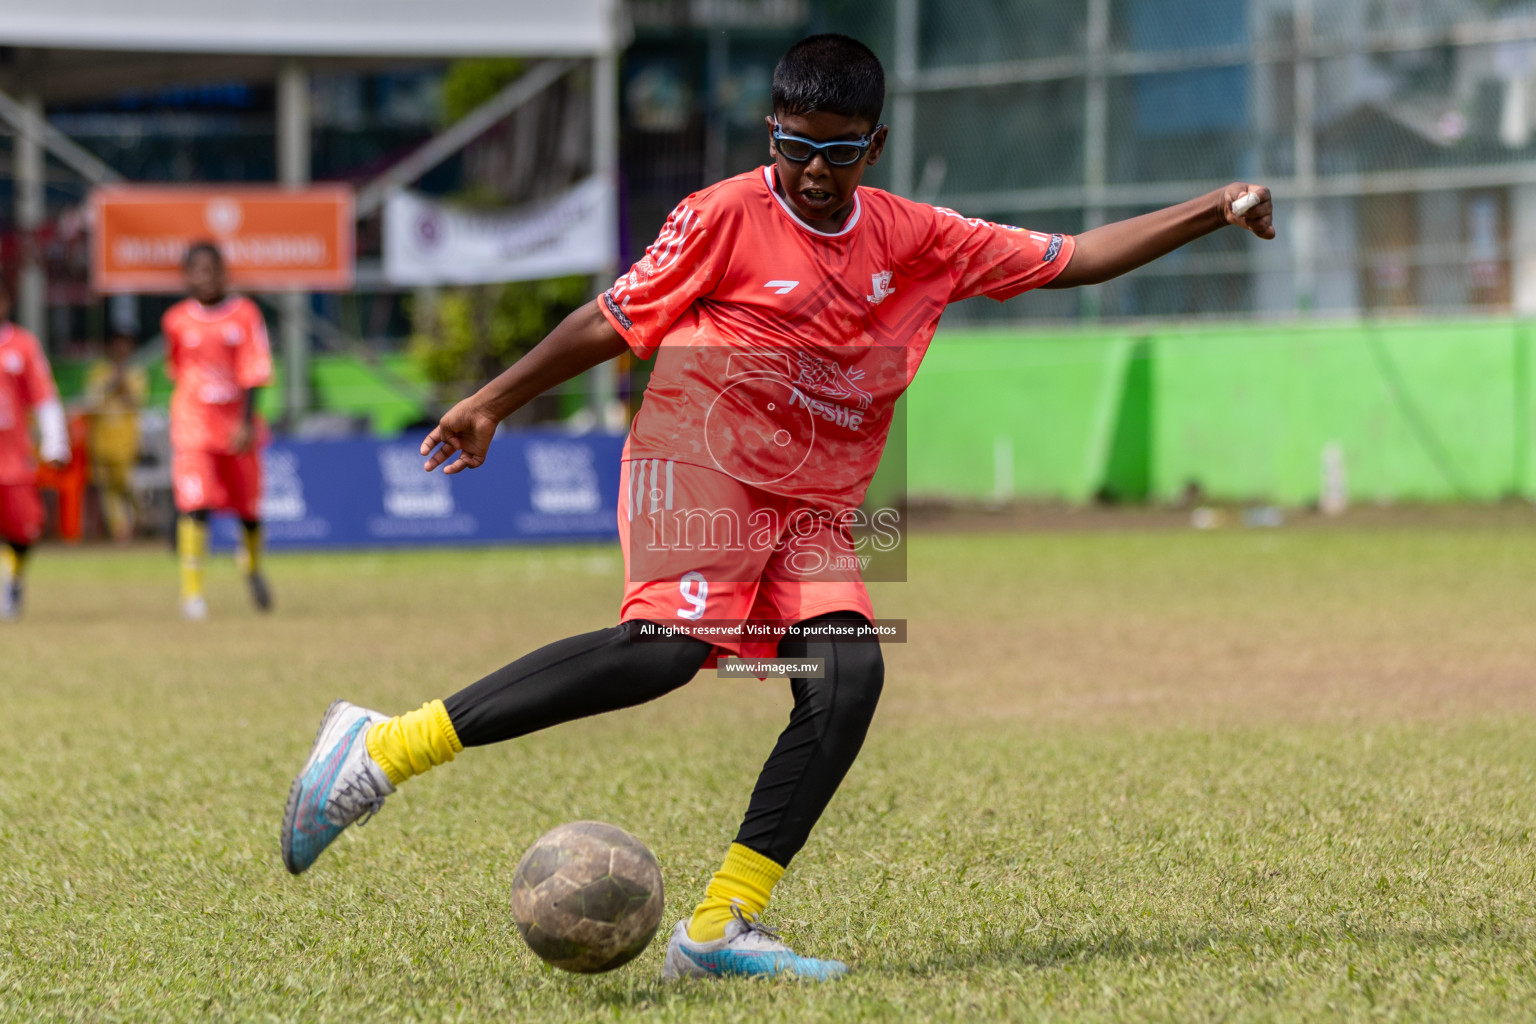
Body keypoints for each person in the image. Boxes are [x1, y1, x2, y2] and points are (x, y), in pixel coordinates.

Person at [280, 34, 1275, 979]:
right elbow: (612, 317)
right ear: (773, 133)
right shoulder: (720, 215)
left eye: (836, 154)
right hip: (699, 449)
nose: (812, 171)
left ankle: (717, 926)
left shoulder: (918, 237)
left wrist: (1217, 206)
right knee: (664, 646)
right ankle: (381, 745)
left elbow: (1078, 256)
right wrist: (493, 400)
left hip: (814, 500)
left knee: (848, 676)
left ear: (874, 147)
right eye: (795, 148)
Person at [162, 242, 274, 620]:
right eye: (197, 270)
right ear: (187, 276)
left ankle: (253, 566)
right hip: (193, 427)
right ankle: (192, 594)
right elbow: (178, 369)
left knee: (249, 509)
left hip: (237, 429)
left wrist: (246, 421)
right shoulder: (176, 320)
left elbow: (255, 370)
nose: (205, 277)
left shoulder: (244, 314)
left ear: (224, 272)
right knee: (195, 505)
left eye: (212, 269)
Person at [0, 279, 71, 621]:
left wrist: (55, 442)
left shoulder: (23, 346)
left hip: (14, 459)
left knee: (24, 528)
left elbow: (44, 398)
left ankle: (12, 579)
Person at [85, 331, 149, 543]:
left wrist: (122, 383)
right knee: (108, 489)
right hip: (103, 441)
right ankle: (119, 531)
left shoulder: (136, 373)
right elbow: (92, 402)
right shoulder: (98, 373)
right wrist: (110, 383)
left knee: (130, 487)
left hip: (127, 442)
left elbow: (136, 401)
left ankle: (140, 521)